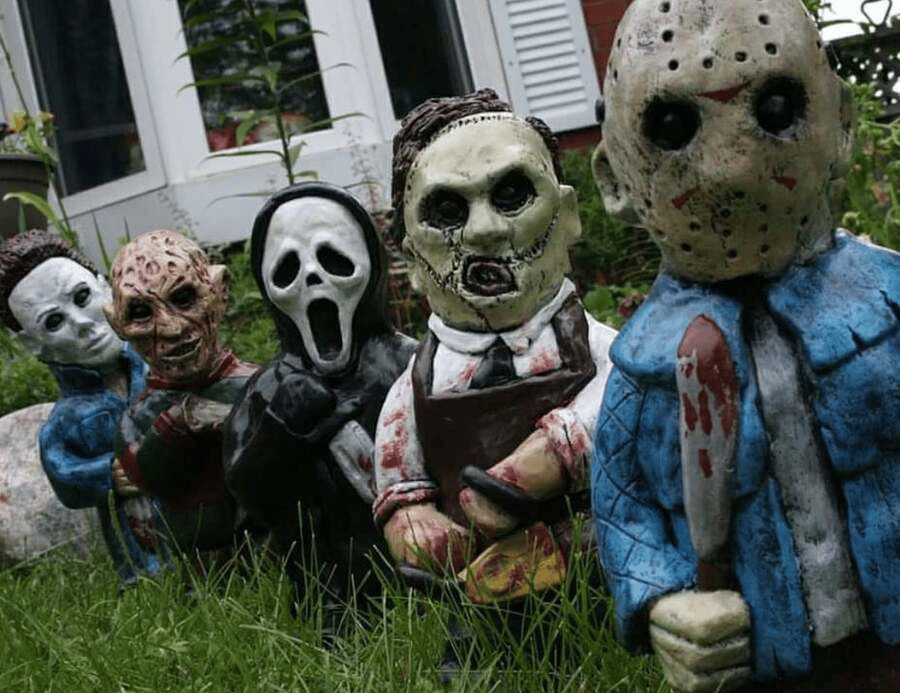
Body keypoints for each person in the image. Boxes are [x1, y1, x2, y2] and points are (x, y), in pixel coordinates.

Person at [590, 1, 900, 691]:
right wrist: (663, 600)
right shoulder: (644, 372)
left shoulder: (891, 304)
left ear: (842, 126)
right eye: (674, 127)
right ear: (612, 179)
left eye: (776, 110)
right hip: (761, 661)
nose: (731, 169)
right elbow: (620, 504)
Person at [373, 89, 617, 602]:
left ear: (567, 215)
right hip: (473, 574)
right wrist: (414, 523)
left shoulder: (600, 350)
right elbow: (400, 482)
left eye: (511, 195)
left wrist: (557, 451)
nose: (484, 230)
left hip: (594, 556)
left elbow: (629, 399)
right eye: (447, 210)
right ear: (412, 259)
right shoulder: (414, 387)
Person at [224, 182, 417, 607]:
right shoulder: (266, 391)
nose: (311, 275)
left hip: (417, 576)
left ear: (371, 265)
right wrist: (277, 434)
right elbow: (245, 489)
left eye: (334, 259)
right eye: (287, 268)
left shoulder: (410, 364)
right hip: (325, 589)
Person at [0, 229, 164, 586]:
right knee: (150, 569)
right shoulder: (67, 422)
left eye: (82, 296)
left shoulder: (161, 369)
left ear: (104, 286)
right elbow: (64, 473)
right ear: (33, 344)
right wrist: (109, 474)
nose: (81, 324)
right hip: (137, 534)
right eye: (53, 321)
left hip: (198, 516)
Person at [105, 230, 257, 559]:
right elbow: (144, 474)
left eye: (184, 298)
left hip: (269, 544)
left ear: (219, 292)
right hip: (195, 553)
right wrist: (176, 424)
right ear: (118, 324)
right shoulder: (140, 415)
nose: (172, 328)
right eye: (141, 313)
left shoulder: (257, 385)